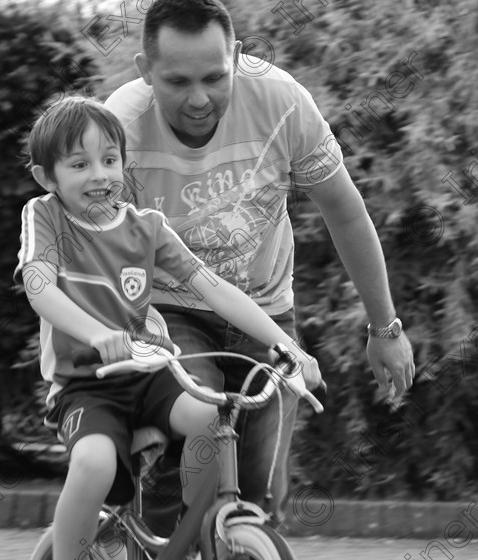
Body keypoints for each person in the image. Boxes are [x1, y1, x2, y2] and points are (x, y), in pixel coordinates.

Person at [105, 0, 415, 530]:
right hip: (167, 308)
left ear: (238, 57)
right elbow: (97, 251)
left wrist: (385, 327)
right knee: (190, 448)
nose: (199, 99)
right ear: (145, 71)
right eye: (177, 81)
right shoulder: (119, 129)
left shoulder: (281, 102)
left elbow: (345, 212)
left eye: (214, 77)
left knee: (260, 490)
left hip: (263, 311)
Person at [13, 96, 321, 560]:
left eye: (110, 160)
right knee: (93, 462)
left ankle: (193, 533)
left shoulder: (148, 227)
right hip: (87, 386)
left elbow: (215, 288)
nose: (99, 175)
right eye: (79, 164)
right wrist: (99, 335)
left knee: (209, 419)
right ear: (46, 177)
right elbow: (39, 286)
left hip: (152, 375)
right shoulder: (46, 217)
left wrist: (286, 345)